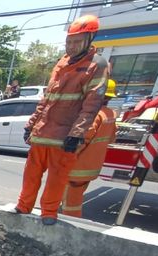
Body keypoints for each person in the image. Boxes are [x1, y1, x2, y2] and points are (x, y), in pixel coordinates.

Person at [13, 14, 109, 225]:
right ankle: (24, 204)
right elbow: (47, 98)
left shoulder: (96, 65)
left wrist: (76, 134)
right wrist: (32, 125)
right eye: (69, 41)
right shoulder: (62, 63)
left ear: (89, 39)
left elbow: (90, 106)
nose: (71, 46)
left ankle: (48, 211)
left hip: (64, 135)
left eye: (76, 42)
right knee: (31, 173)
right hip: (43, 131)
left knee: (57, 176)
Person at [62, 79, 118, 218]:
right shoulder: (110, 114)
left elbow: (81, 140)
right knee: (74, 196)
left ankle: (71, 223)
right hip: (91, 168)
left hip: (77, 168)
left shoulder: (94, 115)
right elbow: (111, 138)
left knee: (71, 202)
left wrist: (64, 158)